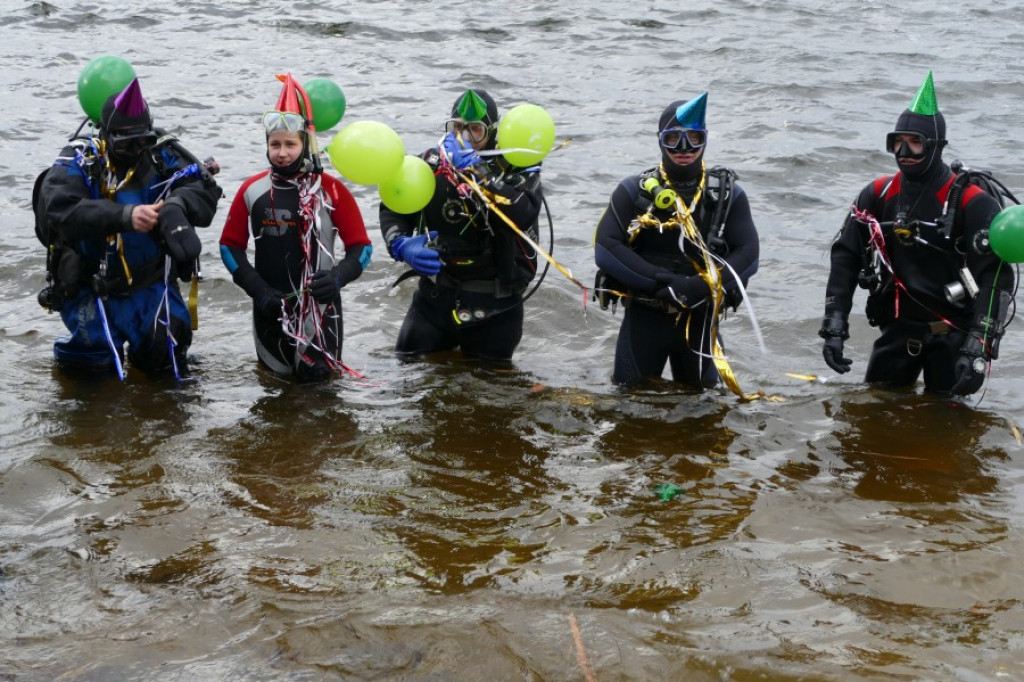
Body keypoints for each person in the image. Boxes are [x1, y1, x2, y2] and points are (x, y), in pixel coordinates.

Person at [820, 72, 1014, 396]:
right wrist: (834, 325)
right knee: (873, 418)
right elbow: (845, 257)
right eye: (897, 141)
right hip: (896, 333)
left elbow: (996, 276)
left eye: (915, 142)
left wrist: (979, 346)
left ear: (936, 146)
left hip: (953, 336)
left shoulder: (971, 202)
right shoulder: (878, 194)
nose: (904, 151)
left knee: (947, 429)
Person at [36, 77, 221, 378]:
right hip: (89, 289)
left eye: (143, 140)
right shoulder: (79, 158)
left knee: (168, 368)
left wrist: (178, 205)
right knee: (88, 384)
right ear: (107, 135)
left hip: (149, 286)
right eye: (126, 142)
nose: (137, 148)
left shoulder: (161, 152)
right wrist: (126, 216)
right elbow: (61, 208)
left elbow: (204, 186)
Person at [593, 92, 759, 389]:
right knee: (627, 411)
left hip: (701, 317)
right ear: (660, 140)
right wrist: (661, 280)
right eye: (673, 139)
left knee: (703, 414)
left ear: (705, 139)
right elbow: (605, 248)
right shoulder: (634, 191)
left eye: (693, 137)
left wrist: (699, 286)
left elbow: (749, 255)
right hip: (645, 316)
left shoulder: (728, 195)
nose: (684, 148)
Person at [219, 75, 372, 382]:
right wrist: (257, 289)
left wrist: (338, 277)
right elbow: (229, 246)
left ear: (305, 145)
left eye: (290, 144)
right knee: (273, 391)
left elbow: (363, 248)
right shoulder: (252, 190)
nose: (282, 152)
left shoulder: (330, 190)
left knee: (321, 392)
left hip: (322, 309)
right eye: (275, 144)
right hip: (269, 308)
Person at [379, 88, 544, 364]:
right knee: (406, 366)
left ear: (492, 132)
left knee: (493, 392)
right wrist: (400, 244)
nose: (464, 137)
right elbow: (393, 206)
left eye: (475, 130)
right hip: (435, 297)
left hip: (495, 305)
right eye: (457, 128)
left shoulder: (516, 167)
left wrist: (478, 172)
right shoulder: (430, 163)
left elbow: (522, 212)